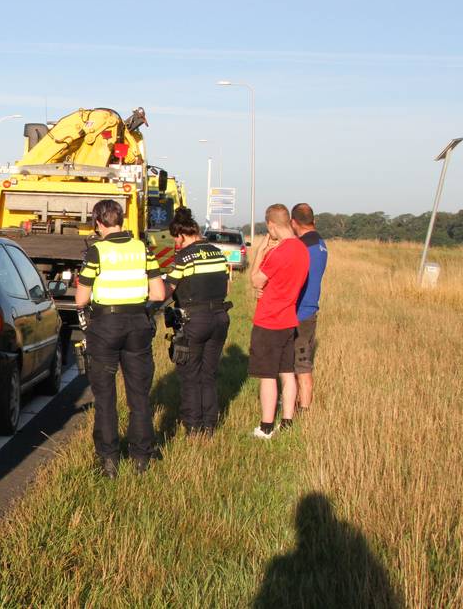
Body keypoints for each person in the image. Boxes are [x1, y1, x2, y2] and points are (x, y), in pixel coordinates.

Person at [75, 199, 166, 476]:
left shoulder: (97, 252)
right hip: (138, 324)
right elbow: (159, 294)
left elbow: (81, 299)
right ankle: (141, 458)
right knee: (139, 397)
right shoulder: (142, 249)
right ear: (122, 220)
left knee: (105, 398)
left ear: (98, 223)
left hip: (105, 325)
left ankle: (109, 461)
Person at [162, 207, 232, 436]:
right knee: (209, 374)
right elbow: (227, 287)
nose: (176, 244)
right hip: (220, 318)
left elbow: (167, 290)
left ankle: (193, 427)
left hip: (195, 320)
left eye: (176, 239)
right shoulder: (217, 253)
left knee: (190, 375)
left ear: (181, 235)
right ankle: (209, 425)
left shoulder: (184, 257)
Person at [248, 204, 310, 439]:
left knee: (267, 375)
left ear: (271, 225)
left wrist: (261, 251)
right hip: (288, 319)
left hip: (269, 320)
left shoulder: (279, 251)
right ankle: (287, 420)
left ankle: (265, 427)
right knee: (287, 372)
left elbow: (256, 281)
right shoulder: (302, 250)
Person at [291, 203, 328, 414]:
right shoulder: (320, 243)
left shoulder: (303, 246)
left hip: (299, 311)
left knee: (301, 366)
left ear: (294, 222)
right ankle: (296, 404)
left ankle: (302, 410)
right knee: (299, 363)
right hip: (310, 308)